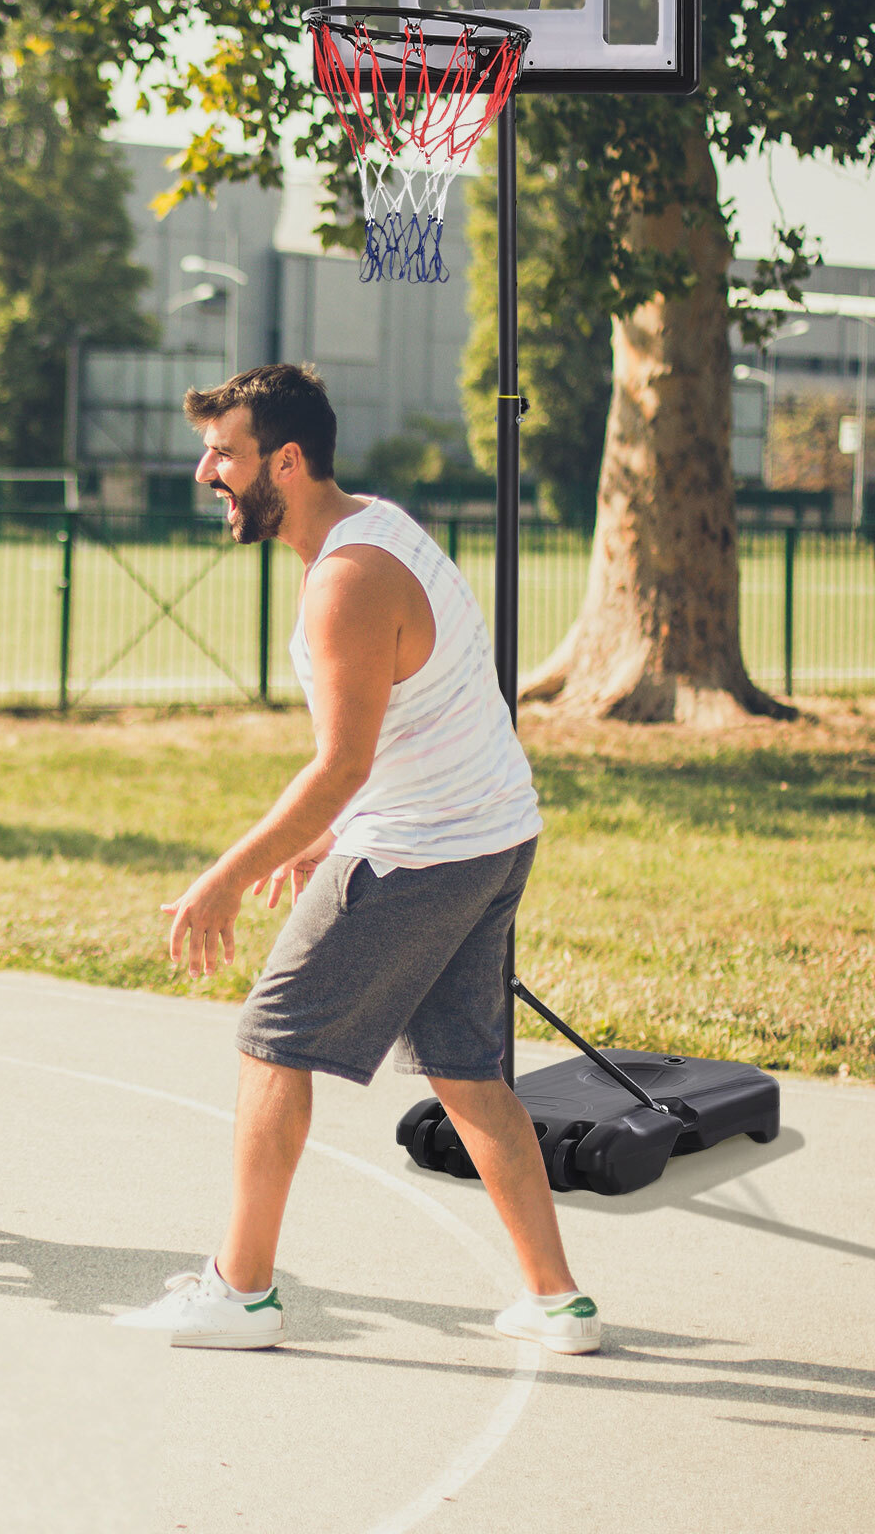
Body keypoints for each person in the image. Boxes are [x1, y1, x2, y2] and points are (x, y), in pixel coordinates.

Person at [119, 364, 598, 1354]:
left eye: (225, 453)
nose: (206, 470)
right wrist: (332, 830)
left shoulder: (343, 575)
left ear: (283, 461)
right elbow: (410, 717)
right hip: (490, 831)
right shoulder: (372, 527)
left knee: (269, 1042)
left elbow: (338, 762)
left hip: (423, 849)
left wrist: (225, 874)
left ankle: (239, 1290)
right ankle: (555, 1300)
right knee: (467, 1073)